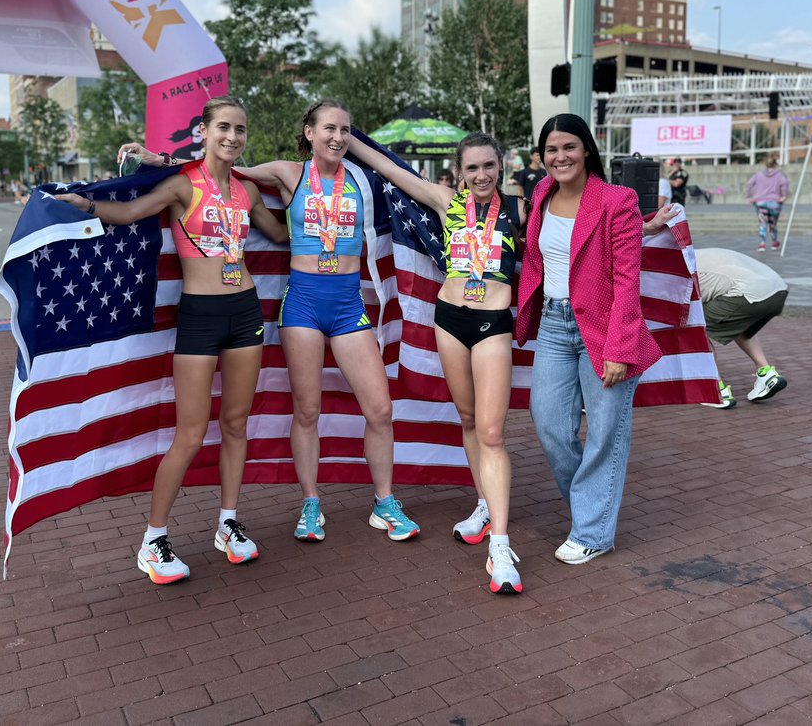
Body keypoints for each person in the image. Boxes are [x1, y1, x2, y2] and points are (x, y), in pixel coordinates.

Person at [62, 97, 288, 585]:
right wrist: (86, 204)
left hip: (245, 310)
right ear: (203, 131)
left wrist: (308, 196)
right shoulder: (183, 184)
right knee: (189, 433)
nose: (232, 136)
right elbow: (129, 213)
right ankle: (153, 539)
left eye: (240, 130)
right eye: (223, 127)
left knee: (235, 423)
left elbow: (282, 234)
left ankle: (228, 523)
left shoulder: (247, 192)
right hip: (201, 316)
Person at [235, 100, 423, 545]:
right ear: (309, 131)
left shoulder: (361, 179)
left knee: (380, 408)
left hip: (346, 302)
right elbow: (220, 170)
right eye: (329, 129)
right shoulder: (289, 173)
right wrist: (160, 161)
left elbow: (411, 190)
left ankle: (384, 502)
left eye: (345, 129)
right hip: (301, 303)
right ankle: (311, 502)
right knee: (308, 410)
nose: (338, 137)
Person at [349, 131, 525, 594]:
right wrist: (347, 137)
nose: (482, 175)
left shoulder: (520, 208)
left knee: (492, 432)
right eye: (473, 168)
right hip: (447, 321)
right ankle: (485, 506)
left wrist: (647, 227)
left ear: (501, 165)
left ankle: (501, 548)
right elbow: (391, 170)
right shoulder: (448, 202)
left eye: (489, 166)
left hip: (492, 323)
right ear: (459, 171)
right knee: (467, 420)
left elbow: (577, 223)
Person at [514, 114, 662, 567]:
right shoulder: (541, 194)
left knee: (604, 435)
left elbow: (626, 282)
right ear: (542, 157)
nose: (561, 157)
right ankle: (591, 505)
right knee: (551, 426)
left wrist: (619, 348)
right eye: (552, 150)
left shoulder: (618, 200)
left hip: (604, 330)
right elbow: (538, 257)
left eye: (569, 147)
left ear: (587, 150)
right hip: (555, 327)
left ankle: (593, 530)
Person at [694, 248, 789, 409]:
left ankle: (715, 390)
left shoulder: (676, 273)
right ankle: (766, 373)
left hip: (746, 292)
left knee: (694, 329)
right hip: (778, 290)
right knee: (738, 321)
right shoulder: (696, 254)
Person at [745, 154, 789, 251]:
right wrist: (784, 195)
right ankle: (774, 242)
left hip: (760, 202)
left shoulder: (758, 174)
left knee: (763, 223)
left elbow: (749, 184)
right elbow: (784, 184)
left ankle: (762, 243)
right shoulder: (780, 174)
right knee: (773, 223)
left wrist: (749, 196)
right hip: (774, 203)